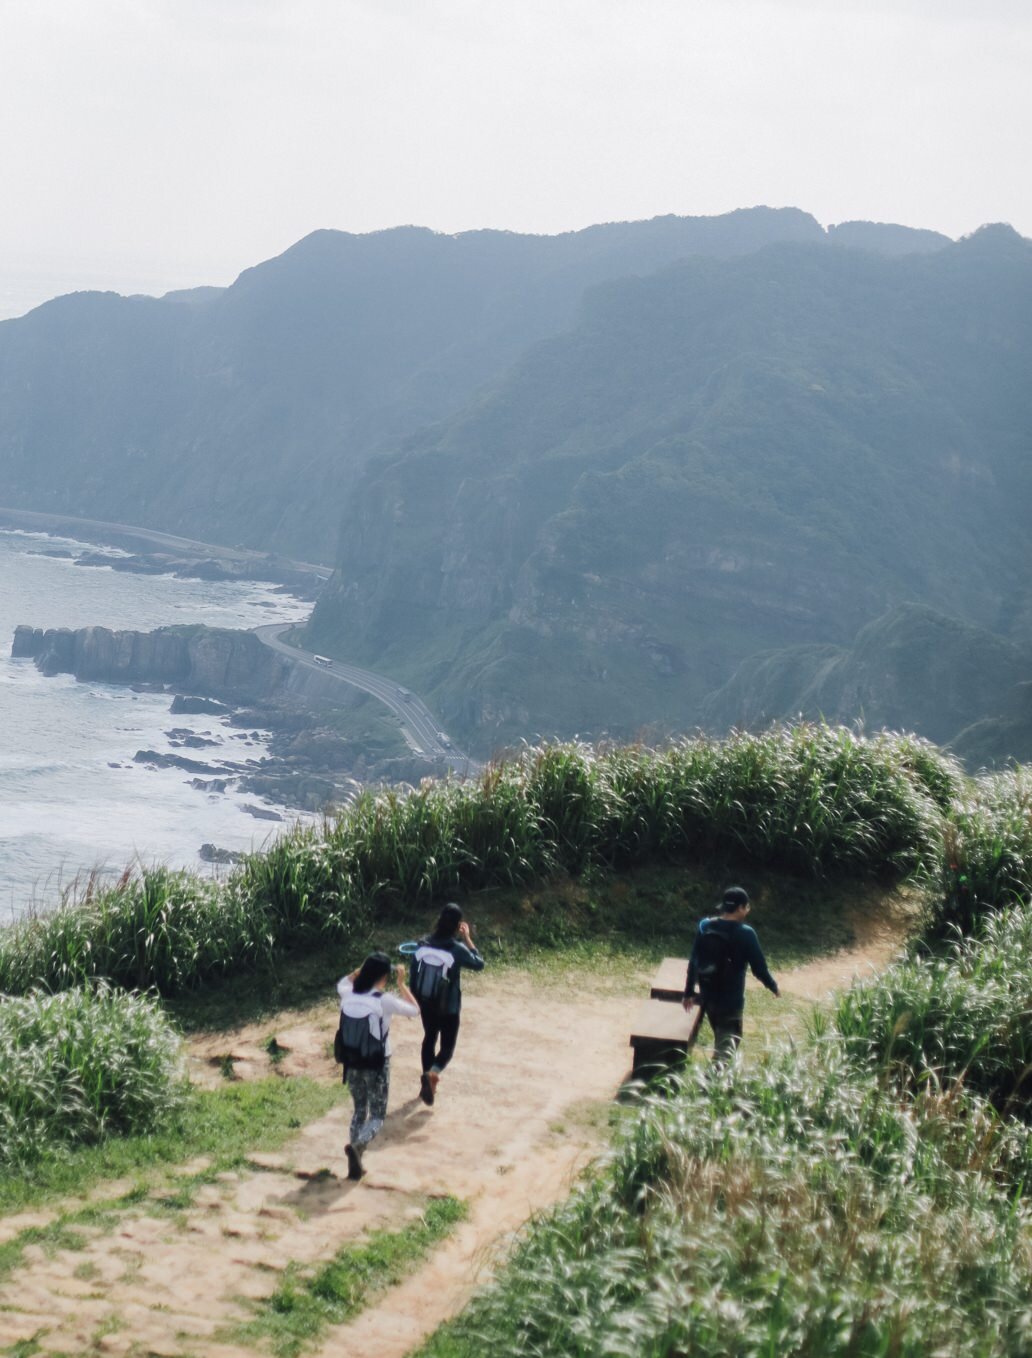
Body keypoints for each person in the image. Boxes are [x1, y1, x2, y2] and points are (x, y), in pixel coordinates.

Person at [337, 951, 419, 1180]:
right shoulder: (384, 1000)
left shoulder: (347, 994)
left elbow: (342, 982)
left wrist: (359, 970)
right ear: (384, 977)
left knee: (359, 1110)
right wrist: (402, 984)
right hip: (377, 1063)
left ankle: (355, 1158)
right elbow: (415, 1010)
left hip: (352, 1062)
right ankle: (358, 1147)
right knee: (377, 1115)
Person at [682, 886, 779, 1065]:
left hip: (708, 998)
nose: (747, 911)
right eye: (747, 907)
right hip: (730, 1002)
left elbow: (694, 961)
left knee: (722, 1042)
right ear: (741, 908)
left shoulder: (705, 926)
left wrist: (688, 992)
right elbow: (759, 968)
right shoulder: (746, 934)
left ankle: (717, 1085)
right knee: (725, 1053)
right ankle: (708, 1088)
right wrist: (773, 986)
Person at [409, 903, 485, 1106]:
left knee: (429, 1038)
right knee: (447, 1048)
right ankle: (433, 1074)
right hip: (449, 1007)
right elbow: (479, 964)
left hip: (426, 1003)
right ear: (458, 925)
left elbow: (413, 975)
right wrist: (467, 938)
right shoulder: (456, 949)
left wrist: (416, 999)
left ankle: (427, 1080)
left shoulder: (422, 944)